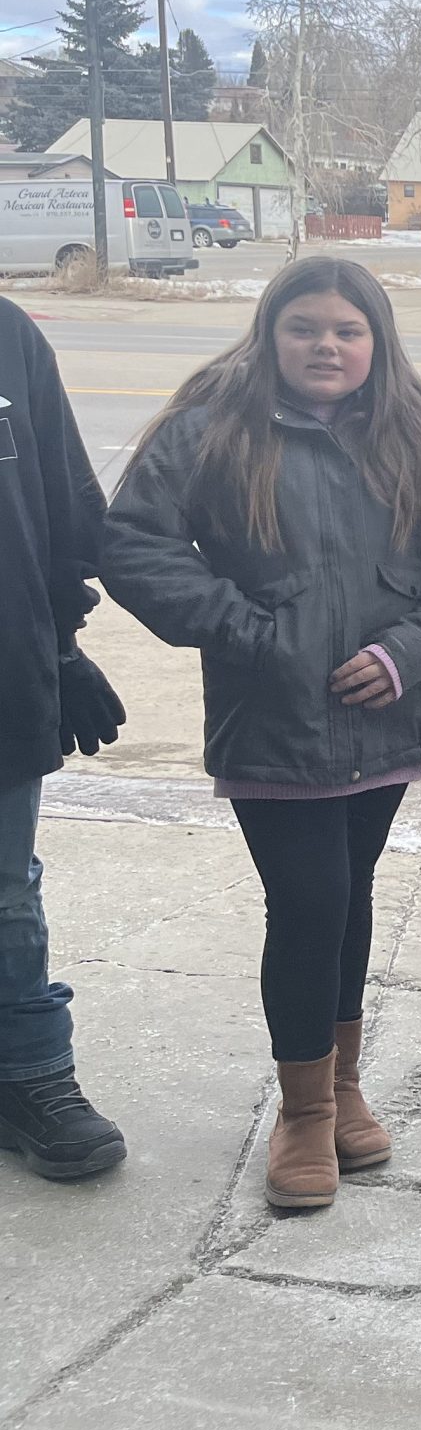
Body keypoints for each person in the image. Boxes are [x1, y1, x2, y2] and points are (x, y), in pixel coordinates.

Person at [105, 260, 421, 1208]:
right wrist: (249, 634)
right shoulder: (213, 426)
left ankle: (344, 1087)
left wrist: (409, 649)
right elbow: (132, 544)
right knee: (310, 904)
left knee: (352, 897)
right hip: (273, 717)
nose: (328, 346)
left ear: (377, 341)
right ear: (271, 334)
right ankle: (304, 1116)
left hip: (384, 708)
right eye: (306, 328)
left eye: (348, 331)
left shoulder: (418, 432)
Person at [0, 299, 130, 1181]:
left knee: (5, 891)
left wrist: (63, 644)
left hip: (4, 666)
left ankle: (32, 1077)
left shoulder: (9, 338)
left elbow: (58, 510)